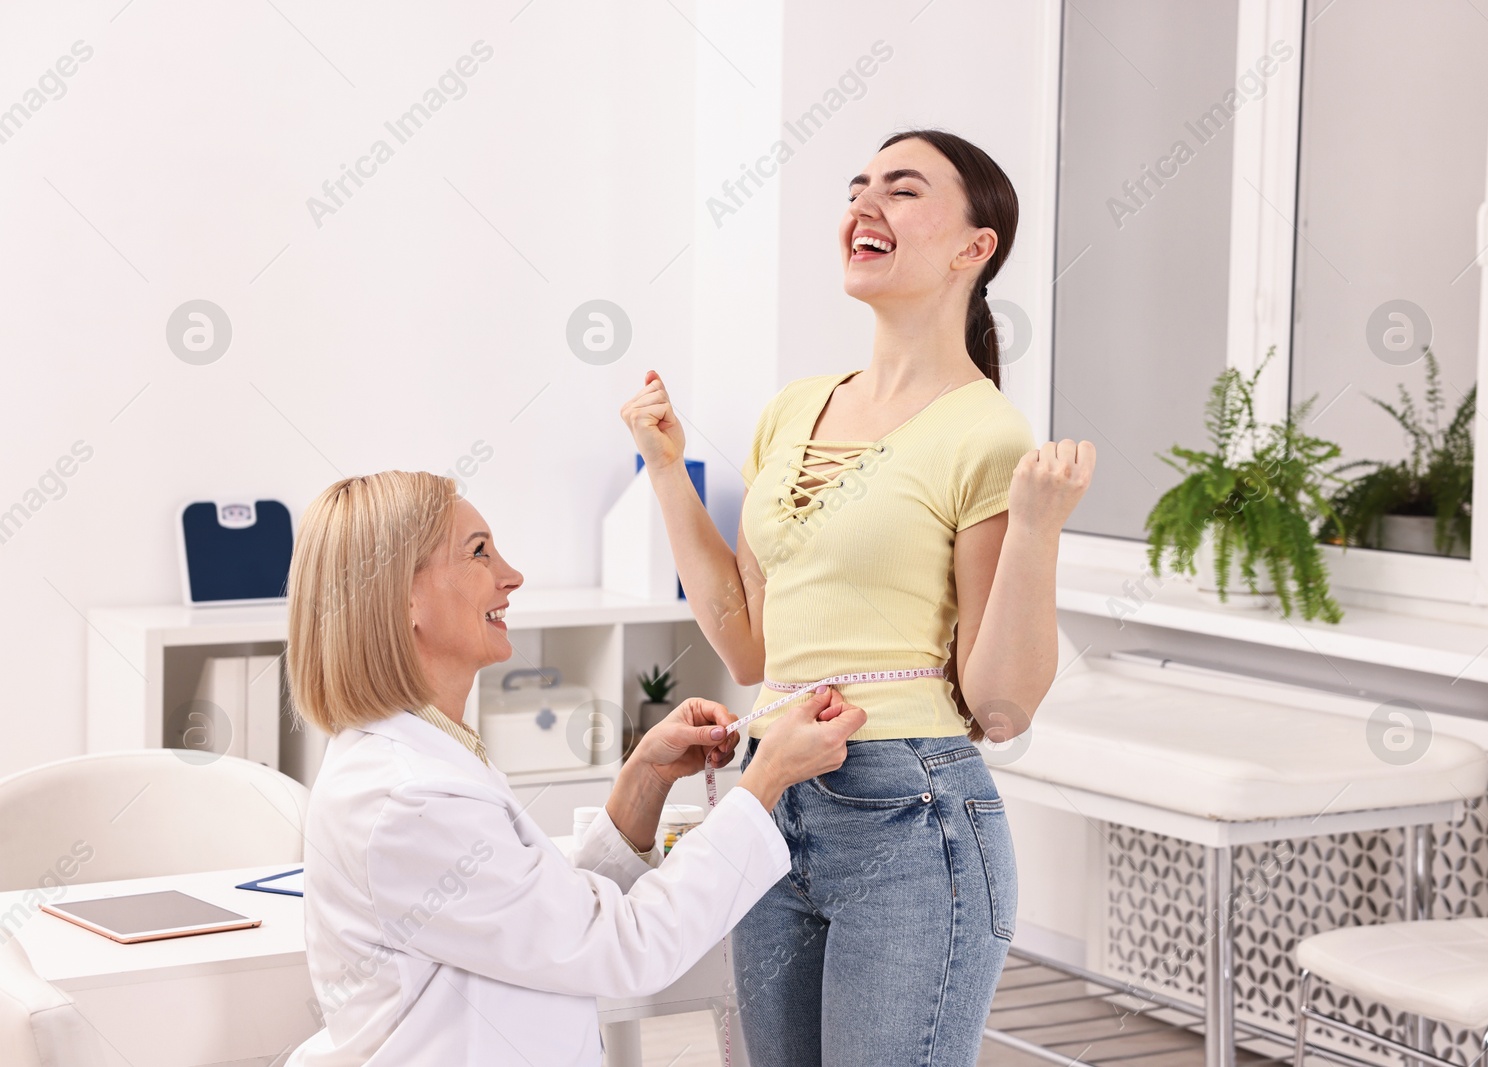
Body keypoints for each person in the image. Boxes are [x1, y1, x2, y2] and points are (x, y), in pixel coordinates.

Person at [620, 129, 1096, 1064]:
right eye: (858, 187)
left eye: (904, 190)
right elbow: (754, 652)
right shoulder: (793, 409)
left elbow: (998, 706)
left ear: (975, 247)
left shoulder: (984, 433)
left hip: (909, 813)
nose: (865, 204)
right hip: (769, 793)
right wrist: (667, 470)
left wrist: (1037, 529)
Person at [281, 471, 865, 1066]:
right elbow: (622, 947)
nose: (512, 575)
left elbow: (546, 920)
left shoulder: (422, 755)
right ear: (402, 598)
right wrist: (764, 781)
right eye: (478, 552)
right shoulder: (409, 800)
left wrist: (645, 780)